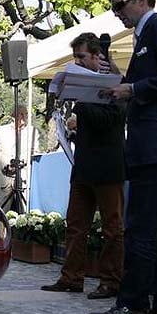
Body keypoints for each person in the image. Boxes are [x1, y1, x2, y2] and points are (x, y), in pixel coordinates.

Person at [87, 0, 157, 314]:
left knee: (142, 227)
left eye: (120, 4)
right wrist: (119, 80)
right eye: (113, 7)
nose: (116, 13)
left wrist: (133, 88)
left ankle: (131, 304)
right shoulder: (144, 36)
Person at [41, 32, 125, 300]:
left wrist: (80, 110)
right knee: (76, 225)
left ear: (96, 56)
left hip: (108, 165)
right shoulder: (82, 87)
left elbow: (114, 119)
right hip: (84, 164)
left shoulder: (116, 83)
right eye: (75, 57)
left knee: (112, 227)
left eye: (81, 57)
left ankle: (110, 281)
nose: (76, 62)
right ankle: (71, 277)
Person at [0, 106, 40, 186]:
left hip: (24, 176)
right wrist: (6, 164)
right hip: (4, 175)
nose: (23, 117)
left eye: (25, 114)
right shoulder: (2, 130)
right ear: (14, 115)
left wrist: (21, 163)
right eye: (20, 114)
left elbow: (35, 152)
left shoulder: (32, 131)